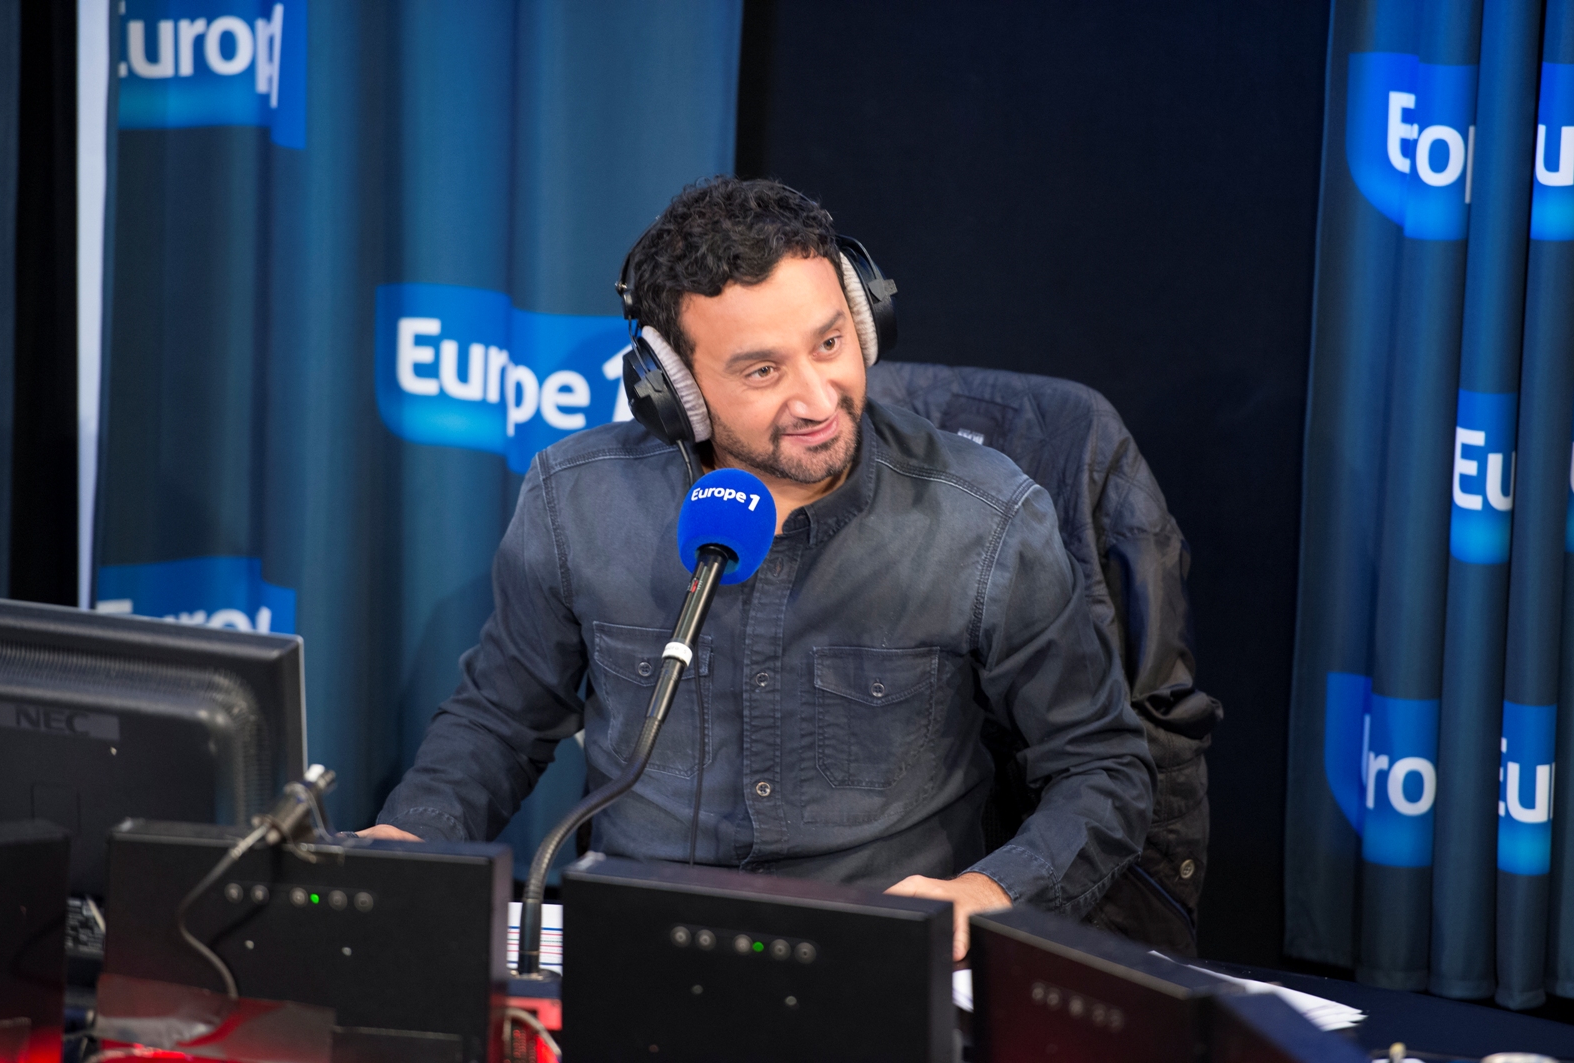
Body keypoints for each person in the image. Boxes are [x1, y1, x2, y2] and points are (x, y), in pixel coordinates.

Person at [362, 177, 1155, 959]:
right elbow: (501, 722)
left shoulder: (984, 518)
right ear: (673, 390)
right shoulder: (575, 499)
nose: (817, 398)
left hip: (873, 958)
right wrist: (411, 836)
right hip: (639, 948)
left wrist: (988, 891)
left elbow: (1102, 767)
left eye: (830, 343)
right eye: (762, 371)